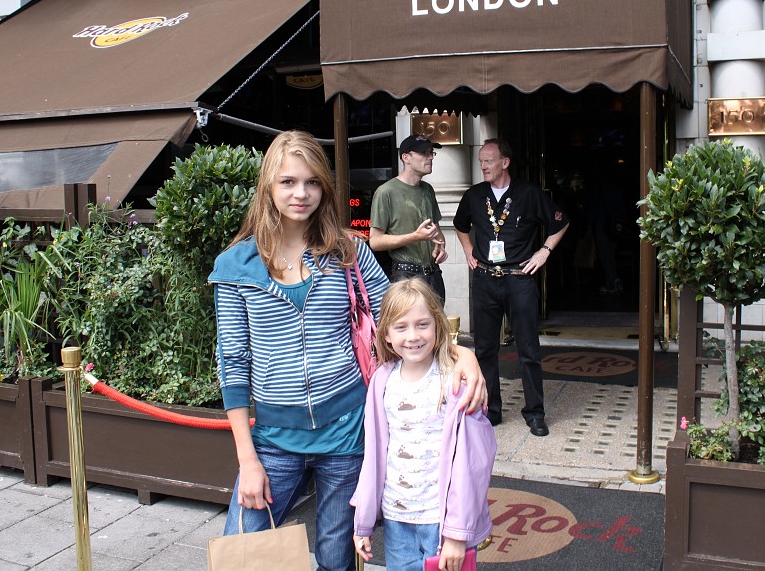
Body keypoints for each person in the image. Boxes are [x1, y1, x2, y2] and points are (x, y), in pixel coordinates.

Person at [209, 130, 487, 571]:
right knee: (243, 552)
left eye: (313, 182)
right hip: (273, 441)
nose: (301, 193)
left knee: (335, 560)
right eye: (288, 181)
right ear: (268, 186)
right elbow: (233, 365)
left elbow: (403, 313)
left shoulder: (349, 252)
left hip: (347, 433)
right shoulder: (235, 265)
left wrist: (460, 351)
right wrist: (247, 458)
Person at [351, 278, 495, 571]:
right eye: (401, 327)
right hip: (397, 519)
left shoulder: (456, 381)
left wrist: (457, 532)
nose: (413, 335)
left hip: (441, 522)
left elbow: (472, 463)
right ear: (386, 334)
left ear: (438, 327)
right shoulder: (382, 381)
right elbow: (375, 454)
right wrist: (363, 522)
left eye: (422, 324)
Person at [453, 139, 569, 437]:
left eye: (489, 161)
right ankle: (491, 410)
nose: (483, 166)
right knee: (485, 349)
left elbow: (561, 222)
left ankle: (534, 413)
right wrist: (468, 251)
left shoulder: (529, 194)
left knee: (528, 349)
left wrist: (544, 251)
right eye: (481, 161)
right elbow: (460, 224)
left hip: (519, 279)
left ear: (505, 162)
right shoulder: (475, 195)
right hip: (485, 280)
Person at [369, 135, 447, 302]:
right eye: (424, 153)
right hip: (406, 277)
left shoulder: (428, 190)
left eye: (431, 153)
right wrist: (415, 237)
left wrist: (439, 246)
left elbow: (437, 234)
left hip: (433, 274)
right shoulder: (385, 192)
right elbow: (375, 241)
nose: (430, 158)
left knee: (436, 327)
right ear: (406, 157)